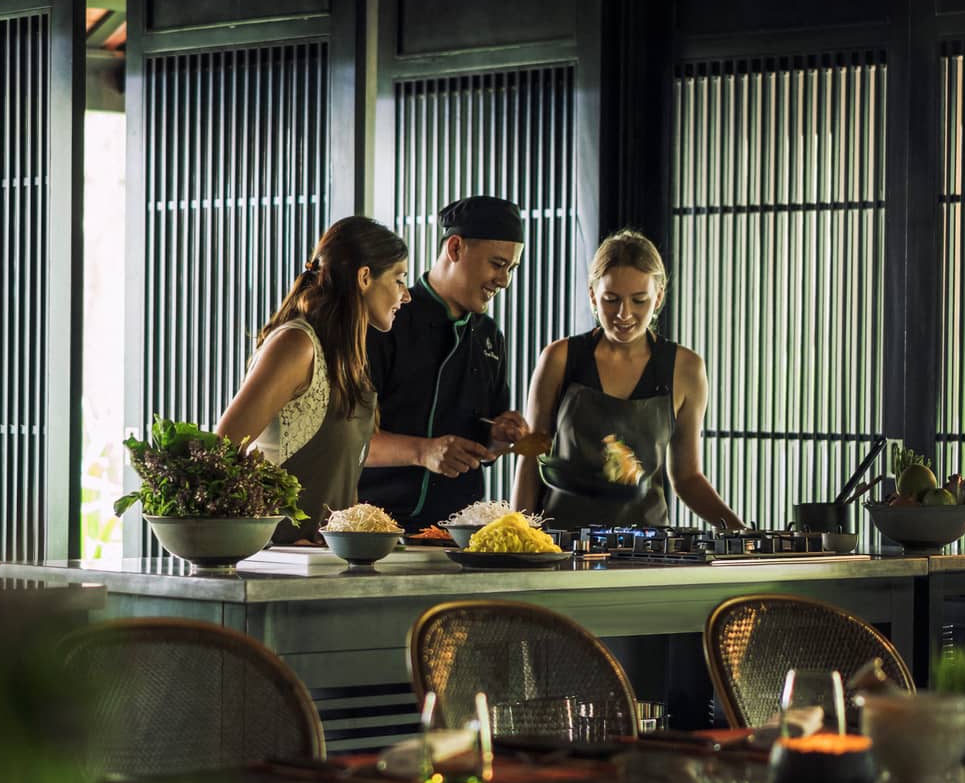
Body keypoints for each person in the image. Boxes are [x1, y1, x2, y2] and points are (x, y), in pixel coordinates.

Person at [512, 228, 745, 529]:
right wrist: (518, 538)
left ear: (658, 297)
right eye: (611, 299)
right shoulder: (560, 358)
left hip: (649, 548)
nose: (624, 314)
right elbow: (531, 458)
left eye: (639, 300)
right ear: (593, 295)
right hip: (561, 542)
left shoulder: (685, 369)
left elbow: (687, 477)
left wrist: (743, 534)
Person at [216, 216, 411, 543]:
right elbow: (219, 453)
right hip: (276, 568)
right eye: (399, 279)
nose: (406, 296)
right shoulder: (297, 346)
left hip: (325, 566)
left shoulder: (348, 357)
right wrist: (275, 538)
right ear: (365, 277)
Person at [360, 196, 530, 533]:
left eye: (511, 269)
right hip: (376, 528)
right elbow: (348, 441)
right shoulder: (387, 320)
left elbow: (487, 445)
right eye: (497, 264)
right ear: (455, 249)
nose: (505, 281)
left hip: (458, 532)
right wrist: (423, 451)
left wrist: (499, 438)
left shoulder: (490, 336)